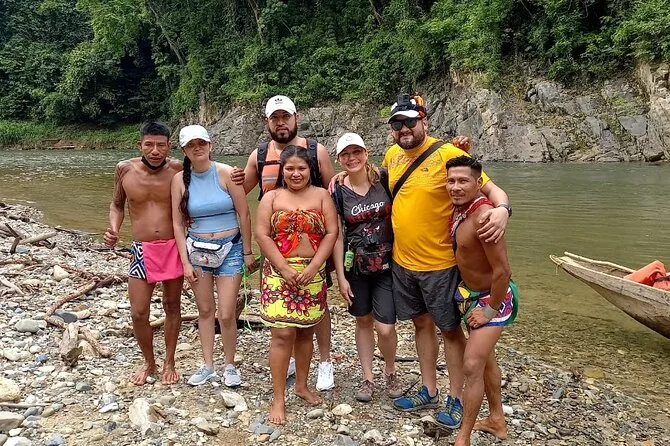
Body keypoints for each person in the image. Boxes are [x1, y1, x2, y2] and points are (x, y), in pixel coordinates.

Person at [382, 94, 511, 430]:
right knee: (420, 325)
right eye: (397, 124)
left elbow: (491, 189)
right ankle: (428, 389)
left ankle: (456, 397)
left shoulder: (448, 154)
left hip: (440, 264)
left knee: (450, 331)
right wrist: (342, 177)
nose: (404, 129)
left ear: (424, 121)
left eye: (410, 121)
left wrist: (502, 210)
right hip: (402, 262)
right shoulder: (392, 155)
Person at [232, 95, 337, 391]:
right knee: (283, 321)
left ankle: (324, 362)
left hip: (315, 245)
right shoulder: (259, 155)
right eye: (275, 118)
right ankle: (290, 361)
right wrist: (209, 179)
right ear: (267, 122)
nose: (281, 123)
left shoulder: (316, 151)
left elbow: (335, 193)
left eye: (285, 117)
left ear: (295, 118)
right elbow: (239, 194)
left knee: (320, 309)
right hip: (277, 251)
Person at [255, 146, 338, 424]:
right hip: (279, 273)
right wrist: (283, 267)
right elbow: (262, 234)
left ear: (310, 169)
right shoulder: (272, 197)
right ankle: (278, 398)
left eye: (301, 168)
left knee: (305, 332)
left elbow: (331, 233)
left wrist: (315, 267)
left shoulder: (322, 196)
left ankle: (301, 386)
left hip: (312, 273)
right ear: (282, 170)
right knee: (282, 335)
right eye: (289, 168)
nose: (296, 173)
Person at [170, 125, 254, 387]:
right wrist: (185, 262)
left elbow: (244, 214)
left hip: (231, 249)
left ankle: (230, 365)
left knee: (227, 313)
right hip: (197, 251)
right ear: (184, 150)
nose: (197, 148)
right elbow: (177, 224)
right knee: (205, 310)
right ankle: (208, 365)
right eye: (191, 145)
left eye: (201, 143)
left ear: (210, 145)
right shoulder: (179, 180)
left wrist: (248, 251)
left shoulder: (227, 173)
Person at [103, 121, 184, 386]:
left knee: (172, 305)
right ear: (140, 145)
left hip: (173, 247)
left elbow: (201, 191)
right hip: (141, 248)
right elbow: (117, 205)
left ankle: (169, 362)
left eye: (161, 145)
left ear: (169, 146)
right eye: (149, 145)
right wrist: (114, 229)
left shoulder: (178, 169)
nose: (155, 151)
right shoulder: (124, 169)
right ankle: (149, 361)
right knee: (138, 312)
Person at [445, 156, 518, 445]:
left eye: (463, 181)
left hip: (493, 299)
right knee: (486, 360)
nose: (455, 187)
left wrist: (489, 310)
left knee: (472, 365)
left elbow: (503, 271)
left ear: (479, 184)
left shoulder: (484, 217)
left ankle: (462, 438)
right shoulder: (461, 210)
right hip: (471, 297)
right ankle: (497, 420)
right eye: (451, 181)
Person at [331, 133, 403, 402]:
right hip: (356, 267)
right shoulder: (337, 191)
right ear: (338, 159)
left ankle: (390, 370)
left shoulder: (384, 179)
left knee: (385, 326)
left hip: (387, 265)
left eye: (356, 152)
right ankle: (367, 377)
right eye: (345, 154)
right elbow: (337, 235)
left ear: (366, 152)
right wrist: (341, 276)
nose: (352, 158)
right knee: (362, 320)